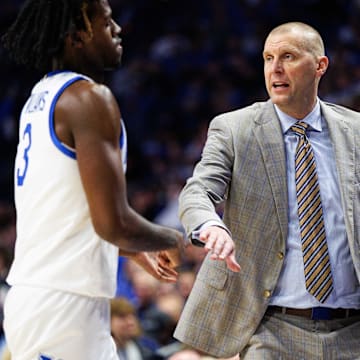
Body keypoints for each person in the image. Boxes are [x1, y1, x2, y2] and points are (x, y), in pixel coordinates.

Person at [1, 0, 185, 359]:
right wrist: (172, 238)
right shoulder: (89, 99)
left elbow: (69, 211)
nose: (117, 29)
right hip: (63, 306)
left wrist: (133, 247)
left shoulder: (39, 98)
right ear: (77, 34)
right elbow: (112, 222)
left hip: (50, 299)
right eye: (106, 21)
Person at [174, 21, 360, 359]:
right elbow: (197, 191)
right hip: (272, 329)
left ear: (320, 66)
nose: (275, 68)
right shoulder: (235, 129)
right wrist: (210, 225)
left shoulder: (355, 132)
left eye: (288, 56)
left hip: (352, 331)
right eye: (268, 57)